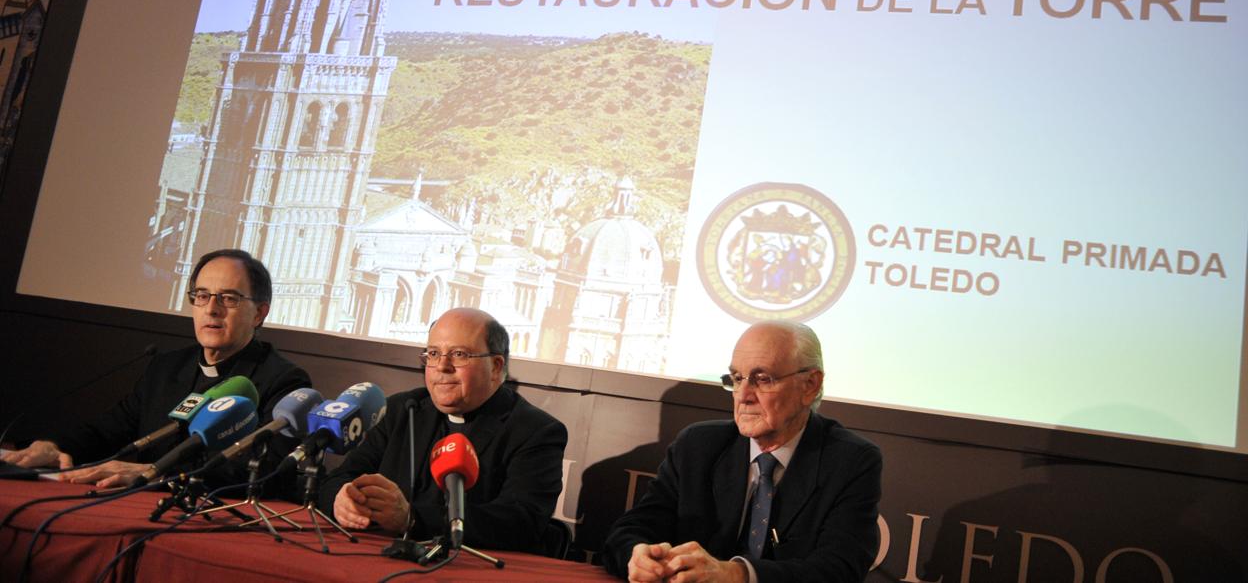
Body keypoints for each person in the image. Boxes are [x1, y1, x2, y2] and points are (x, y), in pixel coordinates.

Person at [1, 249, 311, 489]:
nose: (211, 309)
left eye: (228, 298)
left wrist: (156, 472)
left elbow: (262, 468)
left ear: (259, 313)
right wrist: (54, 446)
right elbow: (108, 429)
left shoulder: (283, 381)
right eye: (202, 296)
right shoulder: (167, 368)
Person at [603, 322, 882, 582]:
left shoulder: (851, 461)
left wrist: (736, 575)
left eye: (762, 379)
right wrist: (638, 555)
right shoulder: (698, 446)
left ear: (810, 386)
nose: (744, 395)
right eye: (736, 378)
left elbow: (839, 570)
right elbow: (631, 530)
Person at [318, 307, 568, 553]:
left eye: (459, 354)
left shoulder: (535, 431)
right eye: (434, 353)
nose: (442, 366)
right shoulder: (402, 410)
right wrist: (341, 499)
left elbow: (520, 522)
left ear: (495, 366)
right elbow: (340, 478)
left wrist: (412, 518)